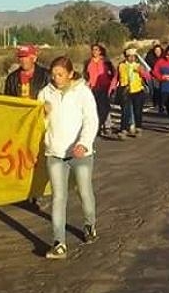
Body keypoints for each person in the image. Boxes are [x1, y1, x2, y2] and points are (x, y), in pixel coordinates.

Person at [38, 56, 98, 260]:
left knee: (84, 192)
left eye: (60, 74)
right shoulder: (45, 93)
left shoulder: (82, 92)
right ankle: (59, 242)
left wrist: (83, 143)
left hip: (80, 153)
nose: (56, 78)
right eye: (53, 74)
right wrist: (43, 116)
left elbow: (91, 120)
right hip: (55, 153)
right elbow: (38, 125)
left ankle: (89, 224)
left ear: (71, 74)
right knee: (58, 197)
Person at [113, 48, 151, 140]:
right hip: (125, 90)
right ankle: (123, 130)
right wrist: (112, 88)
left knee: (137, 111)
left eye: (133, 56)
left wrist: (141, 72)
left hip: (137, 90)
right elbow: (116, 78)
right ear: (126, 57)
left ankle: (138, 128)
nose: (131, 58)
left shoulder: (139, 66)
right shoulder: (121, 66)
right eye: (129, 56)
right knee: (125, 111)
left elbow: (148, 77)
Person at [83, 43, 116, 136]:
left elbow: (113, 73)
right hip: (93, 88)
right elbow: (85, 75)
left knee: (105, 107)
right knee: (95, 108)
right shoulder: (88, 62)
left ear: (100, 51)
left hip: (105, 87)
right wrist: (87, 82)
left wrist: (112, 85)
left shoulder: (106, 62)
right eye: (93, 50)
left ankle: (107, 125)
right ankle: (97, 126)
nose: (94, 52)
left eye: (97, 50)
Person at [144, 43, 164, 112]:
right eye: (156, 50)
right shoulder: (150, 56)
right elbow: (146, 65)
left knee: (162, 90)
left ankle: (161, 104)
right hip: (153, 76)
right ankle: (156, 103)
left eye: (159, 51)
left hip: (162, 75)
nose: (157, 52)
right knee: (155, 90)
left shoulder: (163, 56)